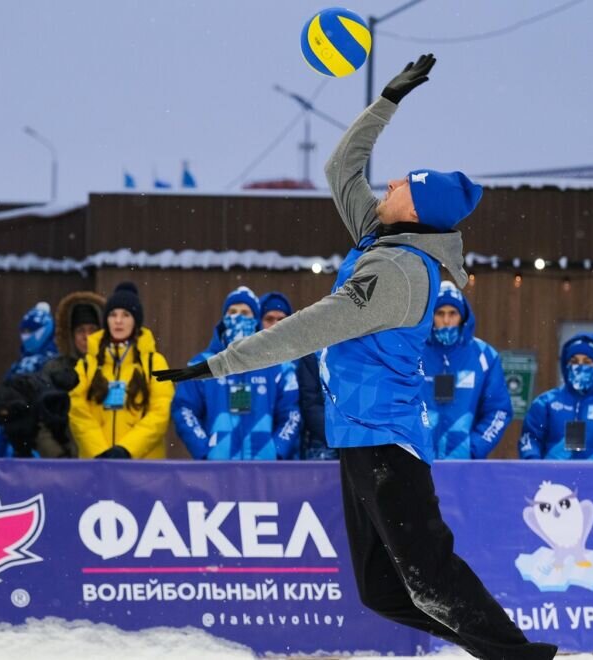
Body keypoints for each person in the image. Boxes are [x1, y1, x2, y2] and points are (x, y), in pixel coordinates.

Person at [154, 54, 556, 660]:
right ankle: (502, 651)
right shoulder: (381, 235)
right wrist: (388, 99)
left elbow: (311, 328)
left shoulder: (396, 269)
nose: (388, 184)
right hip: (359, 434)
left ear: (415, 210)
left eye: (401, 186)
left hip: (385, 438)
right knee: (383, 592)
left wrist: (218, 363)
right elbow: (342, 165)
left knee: (427, 575)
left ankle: (516, 656)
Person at [171, 287, 301, 460]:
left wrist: (275, 450)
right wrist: (203, 450)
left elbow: (291, 414)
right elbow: (184, 409)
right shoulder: (200, 365)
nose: (238, 317)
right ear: (224, 318)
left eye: (245, 313)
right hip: (215, 469)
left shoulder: (278, 366)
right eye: (232, 311)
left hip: (264, 468)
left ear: (255, 321)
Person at [69, 282, 174, 459]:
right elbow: (76, 409)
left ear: (136, 321)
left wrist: (126, 449)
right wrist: (99, 451)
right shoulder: (88, 363)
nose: (118, 321)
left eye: (126, 315)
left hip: (142, 468)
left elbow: (161, 413)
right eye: (113, 315)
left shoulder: (154, 362)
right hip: (96, 465)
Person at [423, 280, 512, 459]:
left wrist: (474, 447)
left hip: (465, 465)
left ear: (462, 317)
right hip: (418, 461)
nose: (446, 320)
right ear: (431, 316)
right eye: (440, 313)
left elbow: (498, 410)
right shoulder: (413, 352)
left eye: (452, 313)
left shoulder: (485, 355)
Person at [518, 333, 593, 460]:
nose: (580, 367)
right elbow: (531, 439)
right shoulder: (546, 402)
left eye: (587, 362)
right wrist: (534, 465)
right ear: (566, 366)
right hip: (551, 478)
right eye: (574, 361)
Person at [260, 291, 336, 460]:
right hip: (261, 449)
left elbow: (310, 402)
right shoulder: (251, 363)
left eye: (281, 319)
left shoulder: (306, 352)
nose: (275, 325)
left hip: (300, 446)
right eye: (269, 319)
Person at [0, 302, 61, 457]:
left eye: (32, 331)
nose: (27, 336)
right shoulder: (18, 366)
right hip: (14, 441)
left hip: (40, 442)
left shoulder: (55, 366)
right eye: (24, 331)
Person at [0, 371, 78, 458]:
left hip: (37, 423)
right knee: (59, 459)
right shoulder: (42, 387)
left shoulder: (33, 387)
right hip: (37, 425)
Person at [44, 290, 104, 378]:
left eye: (92, 330)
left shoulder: (111, 368)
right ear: (71, 336)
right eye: (80, 331)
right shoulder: (55, 371)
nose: (87, 337)